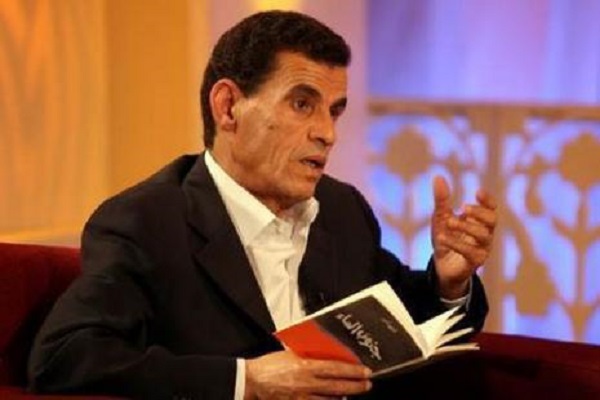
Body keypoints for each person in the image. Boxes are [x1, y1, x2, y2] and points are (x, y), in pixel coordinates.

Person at [28, 10, 496, 399]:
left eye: (334, 111)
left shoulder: (341, 208)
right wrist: (245, 381)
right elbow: (64, 356)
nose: (327, 133)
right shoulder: (146, 223)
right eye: (302, 104)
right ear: (228, 107)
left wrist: (449, 282)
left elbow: (398, 320)